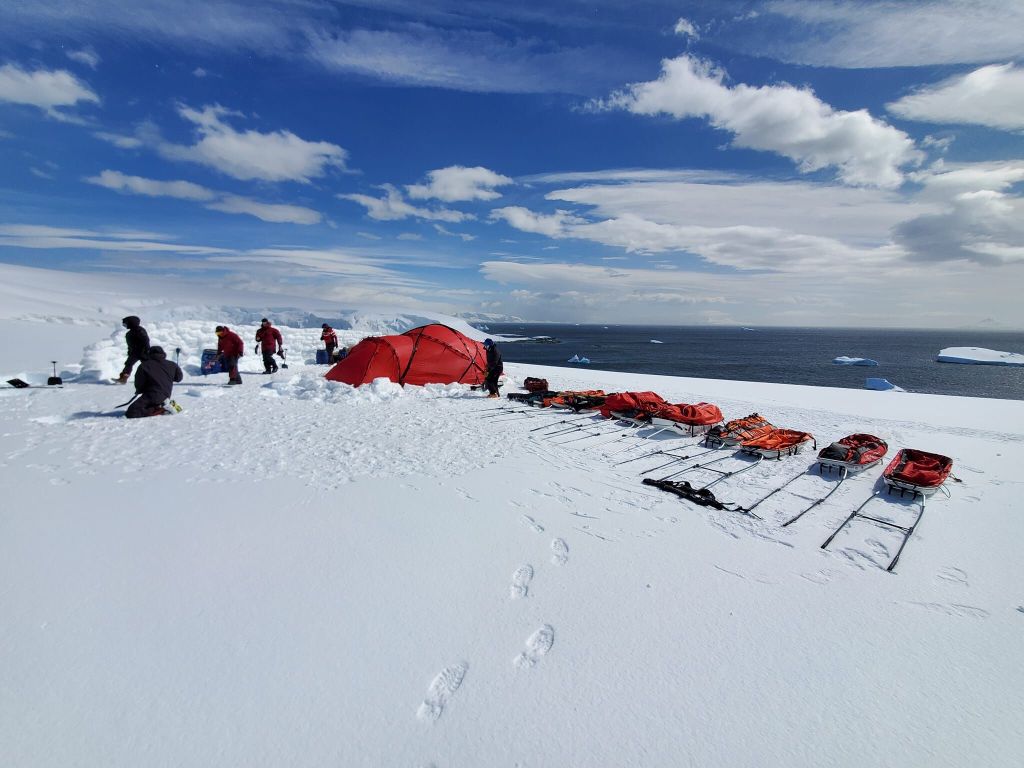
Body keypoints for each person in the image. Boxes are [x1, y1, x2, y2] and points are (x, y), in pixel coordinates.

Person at [126, 346, 183, 418]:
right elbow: (178, 378)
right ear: (163, 354)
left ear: (149, 354)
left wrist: (139, 390)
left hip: (151, 395)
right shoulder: (172, 364)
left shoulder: (144, 365)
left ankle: (161, 408)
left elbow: (139, 383)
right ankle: (165, 405)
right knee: (151, 402)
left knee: (132, 412)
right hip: (166, 395)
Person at [114, 315, 150, 384]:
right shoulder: (131, 332)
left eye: (126, 324)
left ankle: (153, 378)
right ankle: (123, 378)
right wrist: (130, 351)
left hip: (142, 352)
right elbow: (131, 344)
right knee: (128, 364)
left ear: (131, 323)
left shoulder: (139, 330)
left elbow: (146, 340)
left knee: (147, 366)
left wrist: (147, 350)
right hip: (135, 352)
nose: (125, 326)